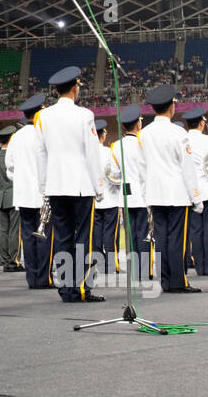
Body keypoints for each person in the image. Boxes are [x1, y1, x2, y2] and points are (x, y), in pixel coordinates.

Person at [35, 67, 105, 302]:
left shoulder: (43, 116)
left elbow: (41, 154)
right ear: (75, 88)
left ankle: (66, 288)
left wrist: (43, 185)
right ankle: (82, 287)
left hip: (56, 185)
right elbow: (92, 152)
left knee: (63, 238)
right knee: (84, 238)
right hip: (80, 185)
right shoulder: (84, 115)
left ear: (55, 90)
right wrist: (99, 185)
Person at [139, 85, 202, 294]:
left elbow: (143, 165)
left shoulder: (145, 133)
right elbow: (187, 167)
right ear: (171, 106)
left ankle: (165, 280)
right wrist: (196, 196)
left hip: (156, 192)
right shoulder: (178, 132)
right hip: (176, 192)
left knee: (161, 238)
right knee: (177, 239)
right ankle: (178, 281)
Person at [8, 94, 51, 288]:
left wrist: (21, 181)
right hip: (42, 194)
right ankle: (43, 278)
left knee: (27, 237)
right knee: (44, 238)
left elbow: (9, 167)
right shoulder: (45, 133)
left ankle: (32, 278)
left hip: (23, 194)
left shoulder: (16, 137)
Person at [182, 107, 208, 276]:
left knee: (195, 231)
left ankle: (199, 266)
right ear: (201, 123)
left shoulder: (182, 139)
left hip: (191, 191)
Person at [111, 104, 152, 281]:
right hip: (142, 195)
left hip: (126, 195)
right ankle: (144, 271)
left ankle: (134, 270)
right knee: (144, 235)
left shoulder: (116, 145)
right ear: (138, 124)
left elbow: (115, 174)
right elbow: (146, 172)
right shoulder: (143, 143)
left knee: (130, 235)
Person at [0, 126, 21, 271]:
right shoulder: (16, 154)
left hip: (0, 196)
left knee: (3, 230)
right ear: (11, 138)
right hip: (14, 195)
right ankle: (13, 260)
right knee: (15, 230)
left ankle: (3, 259)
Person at [93, 119, 119, 275]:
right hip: (110, 198)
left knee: (96, 234)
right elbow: (116, 175)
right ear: (102, 135)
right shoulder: (109, 152)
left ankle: (98, 263)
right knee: (110, 235)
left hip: (94, 200)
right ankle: (110, 265)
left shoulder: (87, 153)